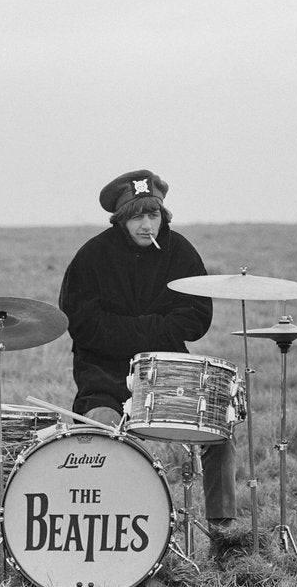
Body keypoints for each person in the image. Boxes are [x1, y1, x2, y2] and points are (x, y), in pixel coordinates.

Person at [58, 169, 238, 537]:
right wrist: (153, 328)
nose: (146, 226)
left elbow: (197, 317)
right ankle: (110, 530)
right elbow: (84, 325)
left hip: (168, 370)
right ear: (121, 220)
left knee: (219, 430)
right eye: (137, 217)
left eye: (152, 216)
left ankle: (224, 533)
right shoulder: (92, 256)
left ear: (163, 216)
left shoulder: (180, 250)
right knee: (100, 429)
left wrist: (137, 331)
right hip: (104, 373)